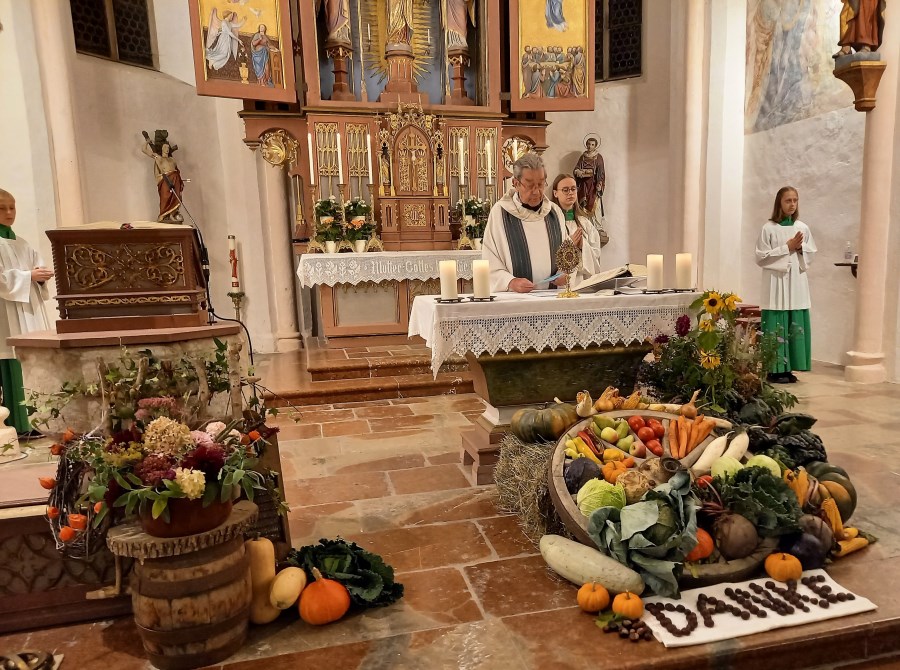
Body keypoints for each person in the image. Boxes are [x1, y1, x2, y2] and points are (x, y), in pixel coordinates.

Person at [0, 189, 52, 435]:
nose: (9, 213)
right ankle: (17, 425)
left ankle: (37, 422)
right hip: (6, 314)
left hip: (28, 312)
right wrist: (29, 276)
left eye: (12, 207)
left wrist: (40, 277)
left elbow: (35, 271)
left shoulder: (22, 243)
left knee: (32, 365)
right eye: (2, 208)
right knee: (11, 363)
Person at [482, 152, 572, 293]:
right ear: (516, 183)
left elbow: (566, 256)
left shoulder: (554, 212)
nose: (536, 192)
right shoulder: (500, 213)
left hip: (552, 298)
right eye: (530, 185)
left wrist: (565, 273)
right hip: (515, 301)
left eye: (541, 184)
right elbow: (489, 260)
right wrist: (510, 281)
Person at [755, 186, 817, 383]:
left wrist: (800, 249)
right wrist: (786, 248)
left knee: (794, 320)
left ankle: (790, 368)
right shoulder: (768, 228)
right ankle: (775, 369)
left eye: (795, 200)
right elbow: (761, 257)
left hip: (796, 282)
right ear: (779, 203)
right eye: (788, 200)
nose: (792, 204)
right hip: (776, 282)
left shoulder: (803, 227)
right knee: (776, 321)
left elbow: (811, 254)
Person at [549, 174, 603, 277]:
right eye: (565, 190)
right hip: (559, 283)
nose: (570, 193)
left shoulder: (585, 223)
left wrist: (583, 246)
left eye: (573, 189)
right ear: (555, 193)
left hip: (582, 281)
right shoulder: (550, 223)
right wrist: (570, 244)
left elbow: (596, 255)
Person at [141, 133, 185, 223]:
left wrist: (180, 180)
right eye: (165, 147)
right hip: (166, 180)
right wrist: (147, 142)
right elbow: (144, 150)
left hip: (175, 179)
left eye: (168, 148)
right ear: (162, 148)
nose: (167, 149)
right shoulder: (159, 158)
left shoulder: (172, 160)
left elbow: (177, 170)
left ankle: (172, 215)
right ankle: (164, 216)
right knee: (165, 197)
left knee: (175, 198)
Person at [574, 136, 605, 215]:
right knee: (583, 206)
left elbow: (601, 172)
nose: (590, 146)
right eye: (588, 144)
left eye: (592, 144)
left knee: (593, 205)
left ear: (595, 146)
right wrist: (578, 171)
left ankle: (595, 225)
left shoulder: (598, 157)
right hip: (583, 184)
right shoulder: (583, 157)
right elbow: (576, 168)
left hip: (593, 184)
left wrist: (599, 183)